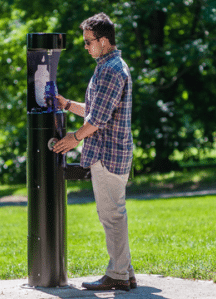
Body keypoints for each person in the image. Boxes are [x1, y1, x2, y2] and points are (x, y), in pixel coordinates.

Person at [52, 12, 136, 291]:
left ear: (103, 40)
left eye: (89, 42)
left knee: (112, 215)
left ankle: (118, 275)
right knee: (113, 214)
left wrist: (74, 138)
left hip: (109, 154)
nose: (86, 46)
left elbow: (97, 120)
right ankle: (126, 272)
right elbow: (97, 111)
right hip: (109, 151)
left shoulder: (112, 69)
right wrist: (67, 105)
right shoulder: (108, 66)